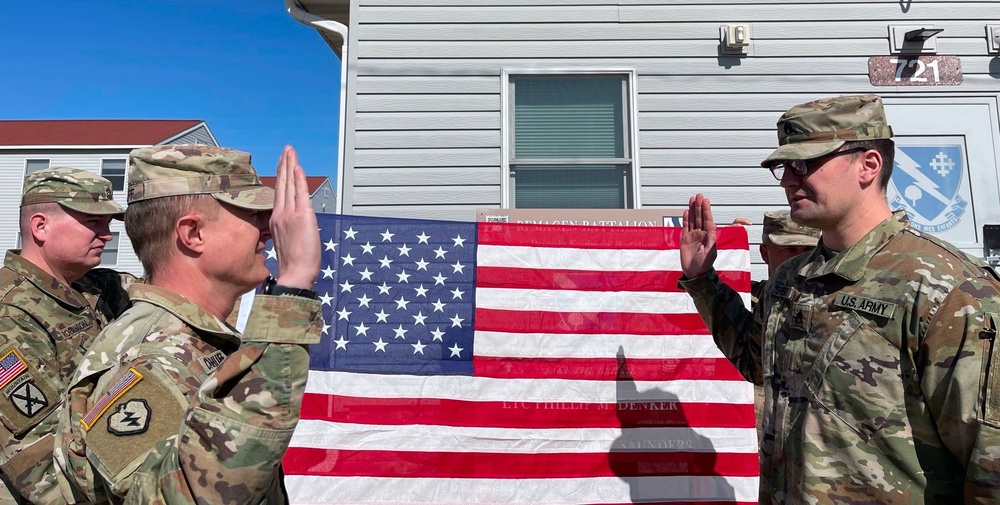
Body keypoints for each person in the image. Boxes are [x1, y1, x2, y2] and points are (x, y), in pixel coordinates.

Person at [678, 95, 1000, 502]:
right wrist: (703, 280)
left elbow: (989, 459)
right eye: (784, 167)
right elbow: (756, 362)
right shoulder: (791, 280)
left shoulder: (949, 289)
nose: (788, 180)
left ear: (869, 165)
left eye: (804, 164)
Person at [55, 144, 323, 504]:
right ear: (192, 233)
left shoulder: (191, 337)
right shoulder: (156, 352)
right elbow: (182, 496)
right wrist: (292, 287)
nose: (268, 229)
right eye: (252, 213)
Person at [0, 168, 134, 504]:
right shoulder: (10, 313)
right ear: (40, 226)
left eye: (108, 224)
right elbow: (38, 467)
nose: (107, 234)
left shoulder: (94, 287)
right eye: (93, 222)